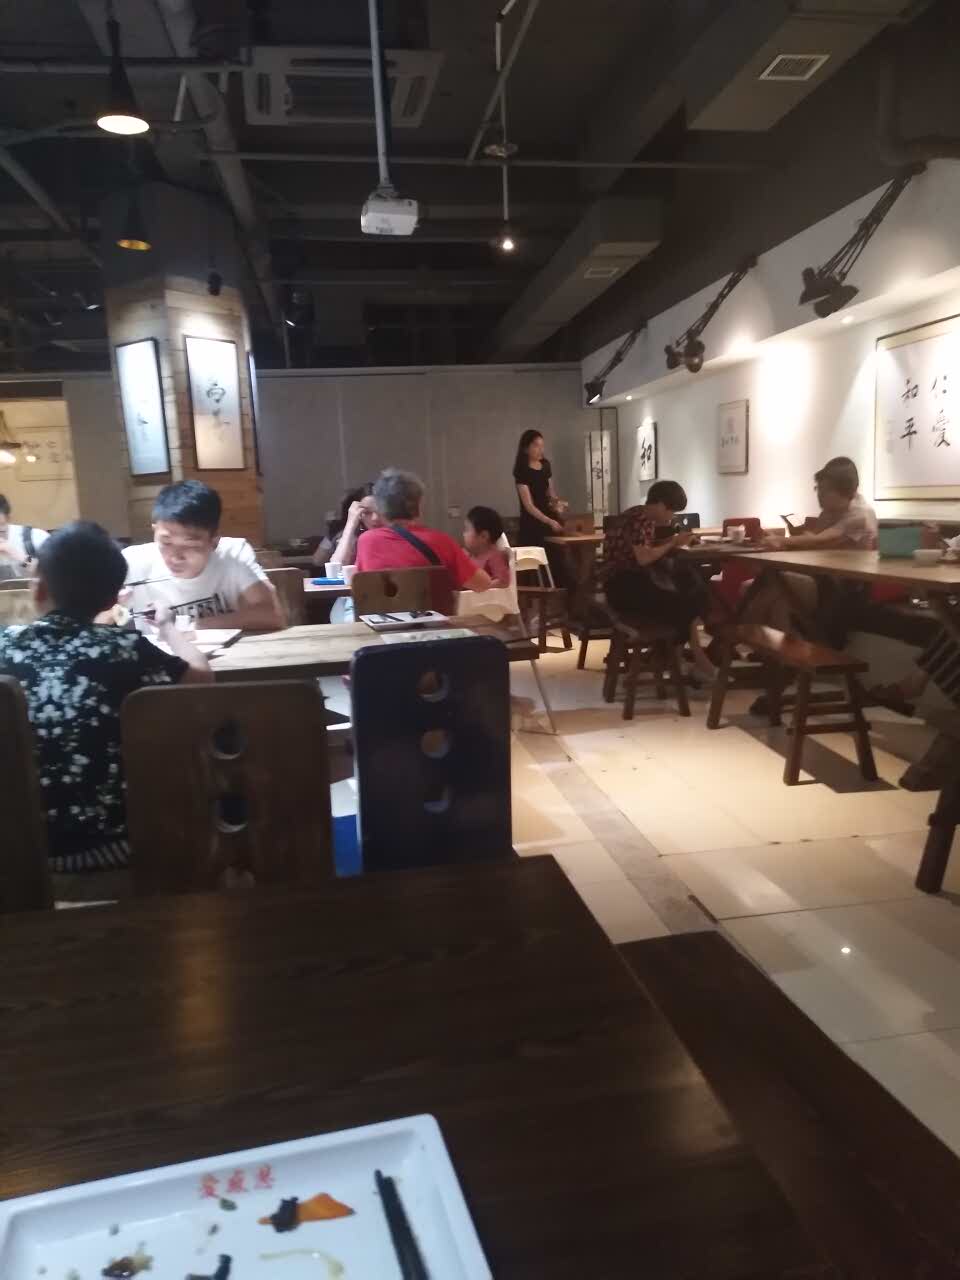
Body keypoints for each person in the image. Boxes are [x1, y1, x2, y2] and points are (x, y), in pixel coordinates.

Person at [0, 521, 211, 896]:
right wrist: (168, 627)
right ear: (113, 599)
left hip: (18, 854)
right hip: (114, 852)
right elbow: (201, 678)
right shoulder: (124, 648)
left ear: (39, 588)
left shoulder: (5, 645)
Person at [743, 457, 878, 645]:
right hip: (820, 578)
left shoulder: (860, 515)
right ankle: (776, 654)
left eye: (824, 490)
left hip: (842, 589)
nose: (819, 495)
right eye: (818, 488)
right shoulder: (831, 511)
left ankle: (739, 635)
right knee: (764, 593)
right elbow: (813, 543)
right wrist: (781, 543)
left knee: (772, 584)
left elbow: (819, 539)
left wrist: (781, 541)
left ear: (845, 491)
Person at [123, 480, 283, 630]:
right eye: (166, 542)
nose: (175, 557)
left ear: (214, 542)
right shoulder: (134, 561)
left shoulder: (233, 553)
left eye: (190, 545)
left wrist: (192, 626)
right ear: (155, 530)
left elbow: (271, 615)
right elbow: (110, 616)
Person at [601, 480, 716, 679]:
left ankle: (681, 659)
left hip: (623, 584)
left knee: (690, 591)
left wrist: (672, 541)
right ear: (661, 505)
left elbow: (642, 547)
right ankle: (681, 660)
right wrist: (672, 542)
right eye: (671, 511)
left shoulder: (636, 514)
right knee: (688, 602)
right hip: (623, 588)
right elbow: (643, 558)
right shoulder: (639, 520)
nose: (671, 517)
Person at [355, 468, 493, 592]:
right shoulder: (441, 542)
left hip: (382, 613)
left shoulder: (366, 541)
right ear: (419, 505)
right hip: (432, 613)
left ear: (381, 508)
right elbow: (483, 584)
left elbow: (359, 582)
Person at [513, 430, 565, 546]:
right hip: (532, 522)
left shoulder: (546, 465)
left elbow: (551, 493)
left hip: (549, 518)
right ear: (526, 448)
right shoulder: (521, 470)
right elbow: (529, 506)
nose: (541, 449)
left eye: (542, 446)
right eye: (536, 445)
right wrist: (549, 521)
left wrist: (557, 504)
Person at [0, 493, 49, 579]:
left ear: (8, 519)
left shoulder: (35, 537)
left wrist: (19, 556)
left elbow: (56, 572)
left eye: (1, 530)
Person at [463, 506, 510, 586]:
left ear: (483, 536)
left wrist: (484, 586)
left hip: (485, 593)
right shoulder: (469, 554)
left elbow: (503, 581)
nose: (464, 534)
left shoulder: (494, 556)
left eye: (467, 530)